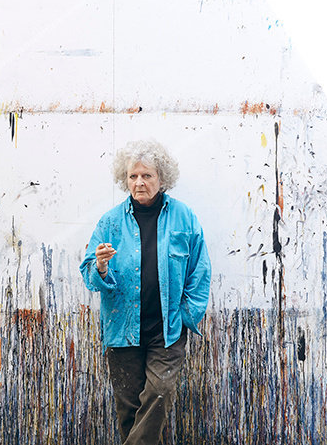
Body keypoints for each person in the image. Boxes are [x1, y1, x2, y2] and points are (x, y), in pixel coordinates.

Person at [79, 140, 211, 444]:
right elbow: (90, 275)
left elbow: (200, 271)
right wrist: (100, 266)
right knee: (129, 409)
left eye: (147, 176)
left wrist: (187, 315)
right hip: (122, 329)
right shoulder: (110, 221)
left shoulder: (184, 217)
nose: (139, 182)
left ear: (161, 179)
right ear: (125, 179)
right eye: (132, 176)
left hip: (168, 329)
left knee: (159, 394)